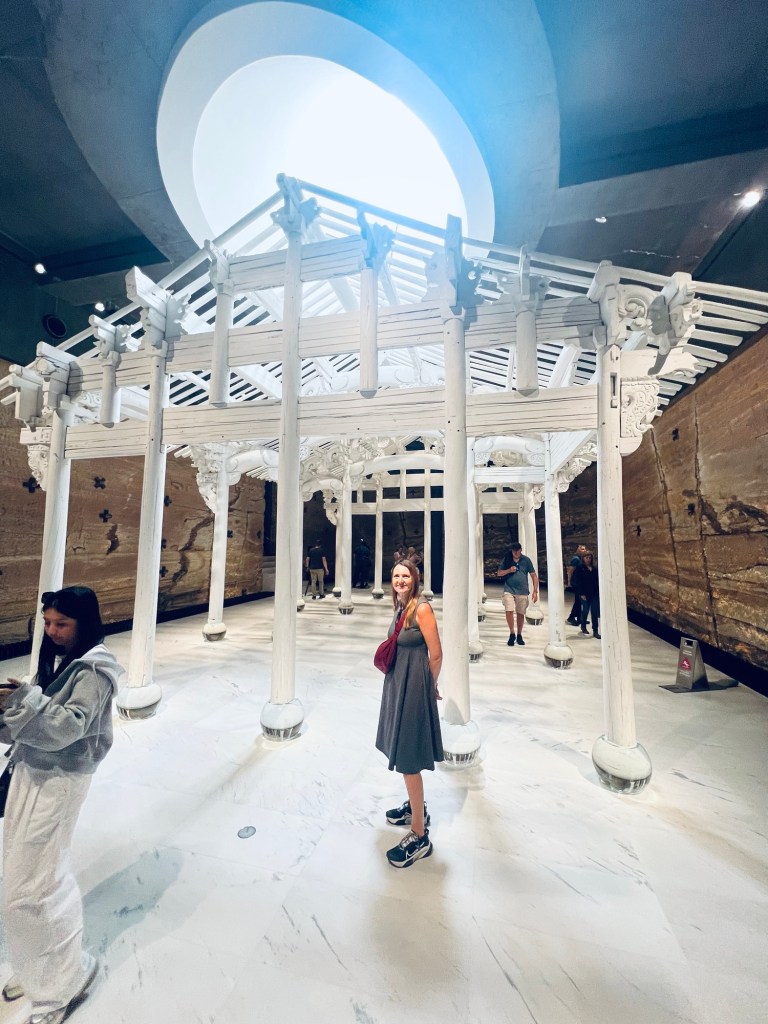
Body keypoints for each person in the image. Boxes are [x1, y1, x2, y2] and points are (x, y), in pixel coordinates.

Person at [0, 587, 123, 1024]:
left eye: (62, 624)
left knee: (35, 888)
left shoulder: (94, 670)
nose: (52, 631)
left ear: (84, 622)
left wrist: (22, 701)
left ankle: (63, 985)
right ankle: (38, 971)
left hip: (59, 782)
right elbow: (33, 724)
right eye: (48, 623)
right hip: (29, 772)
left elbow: (67, 728)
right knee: (19, 882)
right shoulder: (61, 661)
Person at [376, 560, 443, 869]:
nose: (400, 580)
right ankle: (417, 809)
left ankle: (419, 835)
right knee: (403, 750)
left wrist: (429, 686)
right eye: (396, 576)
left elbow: (436, 654)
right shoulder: (401, 606)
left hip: (413, 687)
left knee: (408, 758)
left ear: (415, 580)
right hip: (398, 684)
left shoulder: (422, 609)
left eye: (406, 576)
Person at [497, 542, 539, 647]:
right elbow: (499, 573)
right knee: (509, 610)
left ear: (521, 550)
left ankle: (519, 634)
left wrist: (535, 591)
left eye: (517, 551)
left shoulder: (526, 560)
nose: (516, 553)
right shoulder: (507, 559)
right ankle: (512, 633)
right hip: (509, 589)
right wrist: (509, 570)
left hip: (522, 591)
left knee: (520, 613)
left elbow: (533, 575)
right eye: (514, 551)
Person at [572, 551, 601, 638]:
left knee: (594, 612)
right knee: (585, 610)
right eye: (586, 558)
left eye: (589, 558)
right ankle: (583, 626)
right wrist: (581, 593)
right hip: (585, 593)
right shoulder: (580, 568)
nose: (588, 559)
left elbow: (597, 581)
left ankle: (595, 630)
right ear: (583, 558)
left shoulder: (594, 568)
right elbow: (578, 581)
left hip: (594, 593)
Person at [566, 544, 588, 625]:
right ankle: (571, 617)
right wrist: (569, 582)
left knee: (580, 601)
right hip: (576, 583)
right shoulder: (576, 559)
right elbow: (570, 571)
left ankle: (579, 618)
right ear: (577, 550)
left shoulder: (581, 559)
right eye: (582, 549)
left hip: (580, 583)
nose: (584, 550)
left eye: (584, 549)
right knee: (578, 601)